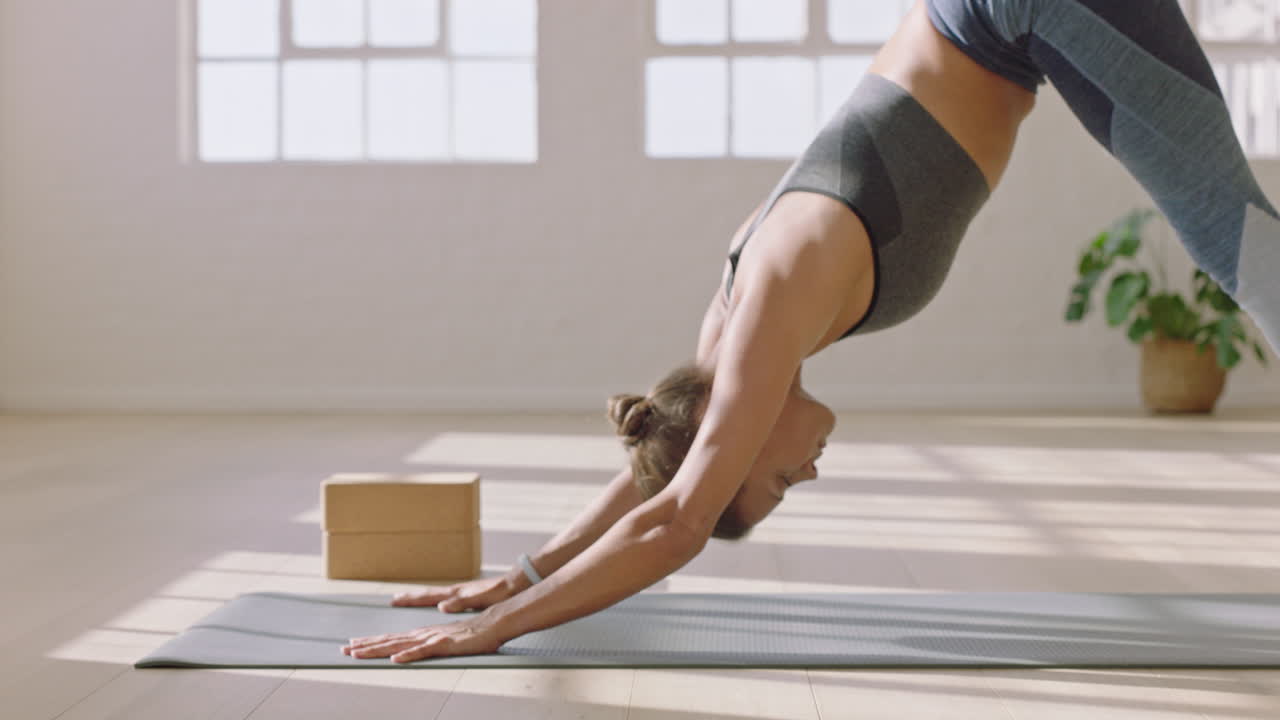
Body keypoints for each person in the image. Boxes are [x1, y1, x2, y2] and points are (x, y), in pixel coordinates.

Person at [342, 0, 1280, 663]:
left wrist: (496, 629)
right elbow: (654, 475)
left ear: (737, 438)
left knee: (1240, 245)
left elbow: (674, 519)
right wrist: (518, 574)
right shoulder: (733, 332)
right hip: (1011, 25)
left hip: (1019, 10)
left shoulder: (770, 308)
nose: (811, 470)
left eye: (781, 477)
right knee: (1239, 243)